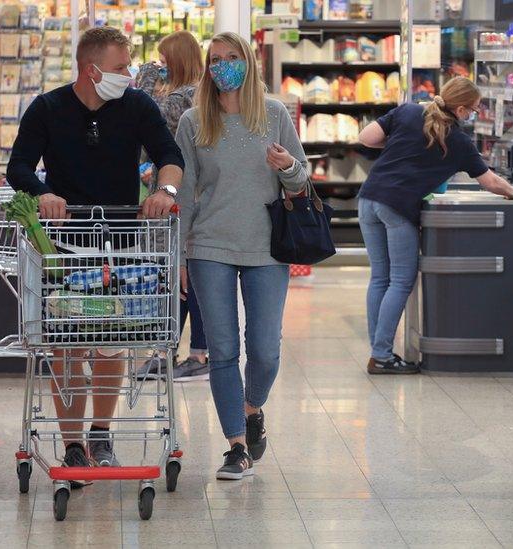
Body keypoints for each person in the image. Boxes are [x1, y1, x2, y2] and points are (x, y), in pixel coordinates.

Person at [7, 26, 184, 475]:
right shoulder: (47, 108)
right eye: (122, 67)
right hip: (63, 247)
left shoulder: (137, 106)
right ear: (92, 69)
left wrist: (163, 189)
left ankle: (100, 433)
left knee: (110, 342)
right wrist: (42, 193)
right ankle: (71, 444)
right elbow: (18, 166)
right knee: (66, 343)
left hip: (120, 243)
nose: (130, 74)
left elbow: (169, 154)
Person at [174, 31, 306, 480]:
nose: (223, 65)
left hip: (267, 247)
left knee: (265, 350)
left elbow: (301, 178)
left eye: (232, 57)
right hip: (209, 246)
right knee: (223, 350)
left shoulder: (273, 114)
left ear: (248, 62)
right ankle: (235, 446)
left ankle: (252, 411)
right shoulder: (194, 120)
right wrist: (180, 254)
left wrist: (287, 166)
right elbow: (186, 191)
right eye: (216, 59)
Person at [355, 77, 513, 375]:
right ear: (460, 109)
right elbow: (490, 182)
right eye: (472, 110)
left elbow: (366, 137)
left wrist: (397, 144)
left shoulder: (407, 112)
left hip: (368, 199)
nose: (472, 115)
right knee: (400, 281)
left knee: (380, 278)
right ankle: (381, 355)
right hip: (397, 208)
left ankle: (378, 351)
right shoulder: (458, 141)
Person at [133, 30, 210, 382]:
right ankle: (166, 349)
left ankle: (198, 352)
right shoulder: (185, 94)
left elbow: (143, 118)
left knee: (188, 275)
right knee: (173, 275)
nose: (158, 67)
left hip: (185, 196)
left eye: (164, 61)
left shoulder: (187, 95)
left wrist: (145, 80)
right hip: (168, 194)